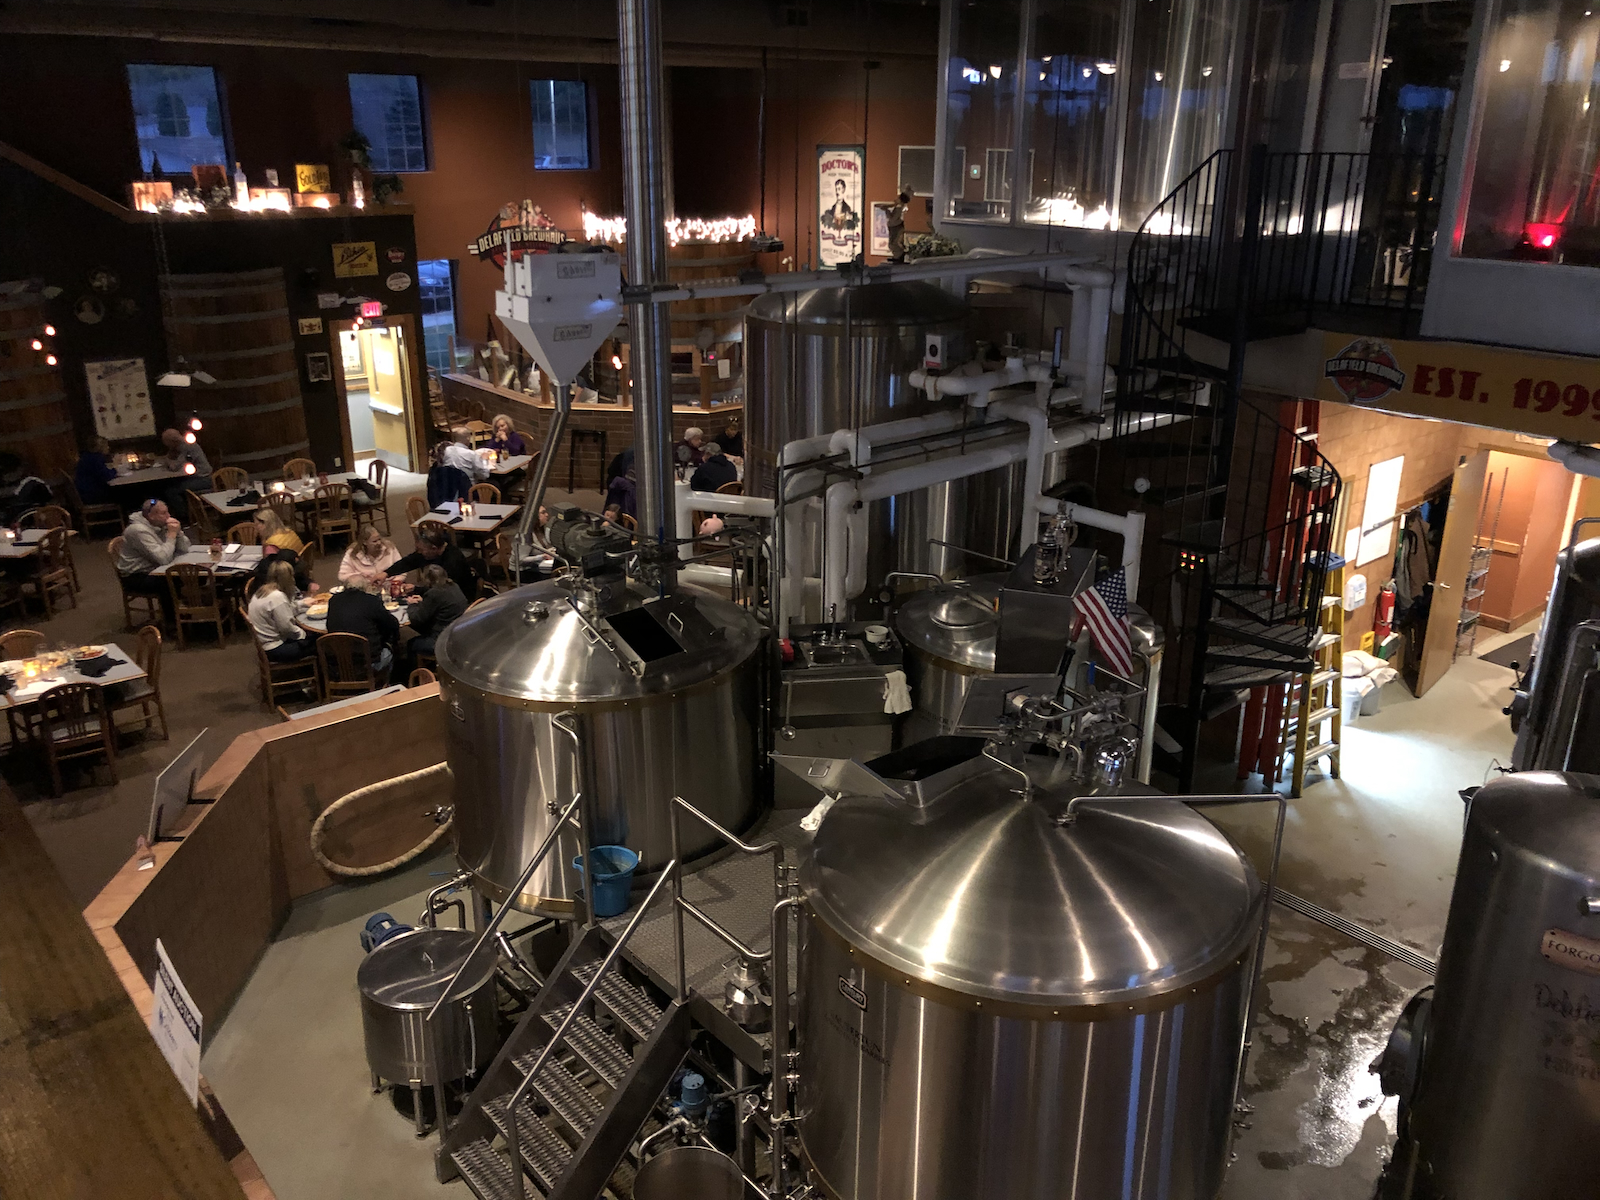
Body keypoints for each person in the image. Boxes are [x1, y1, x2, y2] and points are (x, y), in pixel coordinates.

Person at [114, 498, 190, 621]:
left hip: (155, 568)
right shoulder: (138, 531)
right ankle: (173, 622)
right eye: (164, 513)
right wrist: (171, 535)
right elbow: (163, 559)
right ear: (151, 516)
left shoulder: (159, 524)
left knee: (194, 575)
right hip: (136, 575)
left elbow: (185, 549)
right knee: (170, 580)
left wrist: (179, 533)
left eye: (168, 512)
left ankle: (189, 613)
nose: (168, 516)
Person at [326, 576, 400, 679]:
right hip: (368, 664)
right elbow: (392, 624)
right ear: (365, 587)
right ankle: (386, 686)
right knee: (392, 650)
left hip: (337, 663)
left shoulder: (333, 600)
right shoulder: (371, 601)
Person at [402, 563, 467, 675]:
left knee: (411, 643)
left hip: (441, 640)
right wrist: (422, 601)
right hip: (458, 634)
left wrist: (411, 604)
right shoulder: (453, 585)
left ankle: (415, 676)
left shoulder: (434, 594)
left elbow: (416, 619)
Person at [248, 559, 315, 662]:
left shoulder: (262, 591)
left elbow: (283, 611)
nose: (293, 579)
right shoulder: (278, 597)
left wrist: (303, 604)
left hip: (264, 645)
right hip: (276, 649)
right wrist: (304, 635)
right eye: (291, 576)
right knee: (319, 642)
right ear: (287, 579)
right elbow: (287, 628)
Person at [386, 527, 477, 598]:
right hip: (439, 592)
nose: (419, 553)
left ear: (434, 548)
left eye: (421, 550)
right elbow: (409, 561)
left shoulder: (453, 560)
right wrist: (386, 573)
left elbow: (444, 589)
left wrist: (416, 589)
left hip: (457, 598)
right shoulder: (429, 553)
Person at [0, 457, 53, 524]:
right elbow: (49, 495)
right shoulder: (32, 481)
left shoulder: (29, 482)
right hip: (26, 509)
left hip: (20, 511)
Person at [74, 437, 118, 506]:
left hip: (84, 491)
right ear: (100, 448)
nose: (108, 448)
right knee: (123, 493)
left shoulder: (86, 456)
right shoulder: (96, 459)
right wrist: (115, 469)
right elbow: (106, 476)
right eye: (106, 446)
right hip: (92, 494)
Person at [887, 189, 911, 261]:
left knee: (894, 243)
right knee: (893, 243)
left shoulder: (899, 208)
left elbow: (893, 218)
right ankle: (897, 256)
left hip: (896, 227)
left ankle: (898, 256)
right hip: (895, 226)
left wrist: (886, 210)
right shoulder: (899, 207)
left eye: (897, 198)